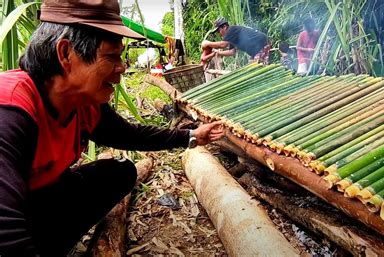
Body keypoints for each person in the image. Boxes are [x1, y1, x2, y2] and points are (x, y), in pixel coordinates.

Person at [0, 0, 224, 256]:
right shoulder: (10, 109)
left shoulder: (82, 103)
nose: (122, 67)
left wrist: (193, 136)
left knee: (118, 174)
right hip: (11, 217)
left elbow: (129, 135)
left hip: (39, 201)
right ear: (66, 54)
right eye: (111, 56)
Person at [201, 17, 271, 64]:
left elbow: (223, 45)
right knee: (252, 66)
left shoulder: (231, 30)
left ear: (224, 27)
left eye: (219, 31)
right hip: (257, 49)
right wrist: (217, 53)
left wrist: (207, 43)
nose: (219, 34)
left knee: (257, 69)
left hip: (261, 45)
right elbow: (232, 52)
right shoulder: (232, 37)